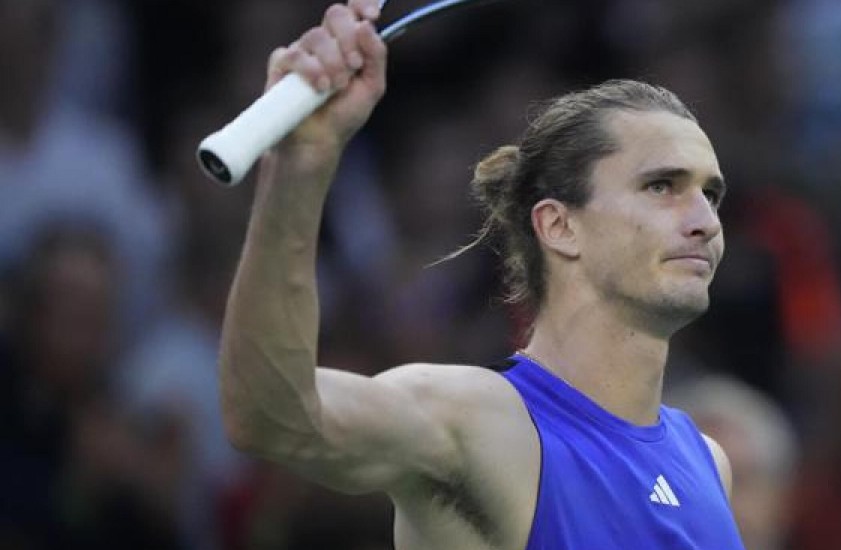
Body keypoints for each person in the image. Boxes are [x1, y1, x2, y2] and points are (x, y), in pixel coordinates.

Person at [217, 1, 743, 549]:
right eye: (662, 186)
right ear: (559, 226)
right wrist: (301, 168)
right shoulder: (476, 420)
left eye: (711, 194)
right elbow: (271, 417)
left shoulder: (707, 461)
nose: (705, 222)